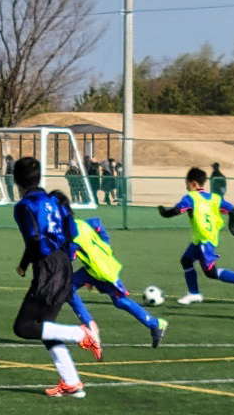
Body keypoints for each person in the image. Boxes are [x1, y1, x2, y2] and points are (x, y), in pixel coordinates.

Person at [10, 156, 102, 398]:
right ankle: (72, 382)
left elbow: (35, 240)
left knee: (24, 327)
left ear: (16, 180)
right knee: (47, 328)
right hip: (63, 264)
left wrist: (24, 264)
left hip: (48, 269)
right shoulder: (55, 199)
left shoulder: (24, 206)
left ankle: (81, 334)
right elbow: (72, 233)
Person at [50, 190, 167, 348]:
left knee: (119, 301)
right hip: (96, 268)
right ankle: (93, 326)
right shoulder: (81, 224)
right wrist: (104, 247)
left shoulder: (70, 238)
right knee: (70, 288)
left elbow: (68, 259)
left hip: (103, 271)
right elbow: (97, 223)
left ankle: (154, 324)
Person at [158, 166, 234, 305]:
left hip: (204, 241)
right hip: (203, 239)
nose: (186, 187)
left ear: (193, 183)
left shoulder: (191, 197)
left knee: (211, 273)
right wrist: (231, 225)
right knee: (186, 261)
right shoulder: (215, 198)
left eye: (187, 183)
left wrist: (164, 213)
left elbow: (176, 210)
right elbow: (231, 209)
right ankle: (194, 293)